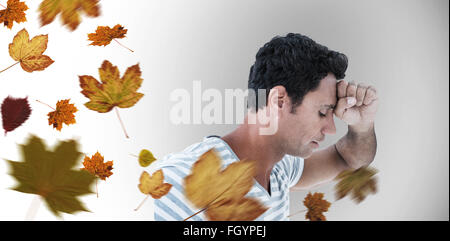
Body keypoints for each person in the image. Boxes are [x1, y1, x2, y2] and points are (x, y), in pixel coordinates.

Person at [152, 33, 378, 221]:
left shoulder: (280, 168)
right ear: (278, 100)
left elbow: (349, 160)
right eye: (322, 112)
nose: (331, 128)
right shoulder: (179, 181)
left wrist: (362, 125)